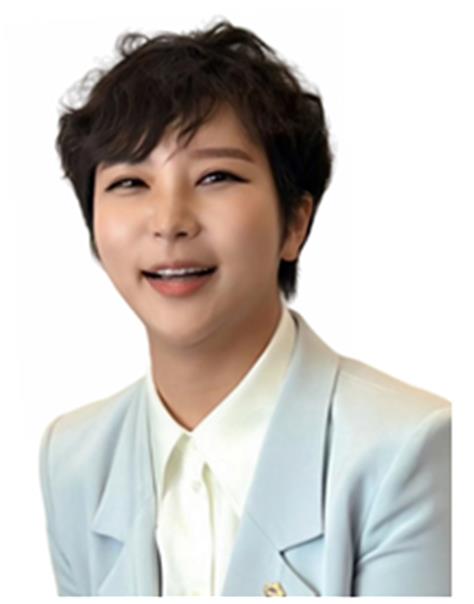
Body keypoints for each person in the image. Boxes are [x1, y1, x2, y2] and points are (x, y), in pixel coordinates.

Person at [39, 19, 451, 597]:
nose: (169, 222)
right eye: (131, 182)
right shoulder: (73, 459)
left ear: (295, 223)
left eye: (216, 176)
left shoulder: (406, 447)